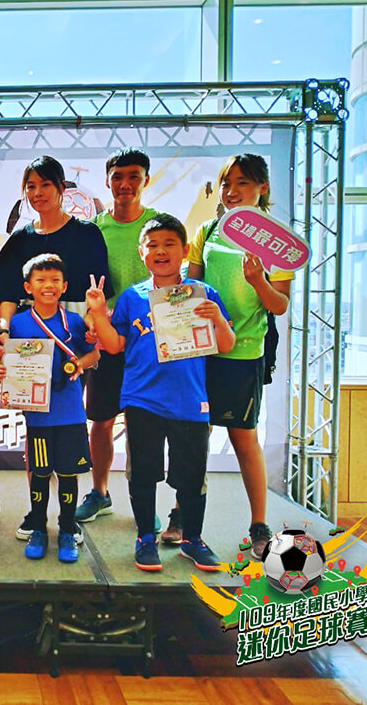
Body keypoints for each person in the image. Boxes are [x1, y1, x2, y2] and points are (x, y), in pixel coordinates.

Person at [86, 214, 235, 572]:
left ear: (184, 250)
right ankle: (144, 538)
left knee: (192, 475)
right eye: (152, 245)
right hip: (142, 399)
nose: (161, 251)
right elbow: (114, 345)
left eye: (169, 244)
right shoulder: (132, 297)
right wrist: (99, 314)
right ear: (142, 253)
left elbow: (227, 344)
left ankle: (192, 539)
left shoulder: (203, 294)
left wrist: (216, 317)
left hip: (190, 400)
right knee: (142, 472)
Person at [0, 156, 110, 541]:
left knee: (70, 418)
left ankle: (68, 518)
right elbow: (6, 294)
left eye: (45, 185)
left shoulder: (87, 233)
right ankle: (37, 514)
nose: (37, 193)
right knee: (36, 424)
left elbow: (99, 288)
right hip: (30, 339)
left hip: (74, 335)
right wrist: (3, 331)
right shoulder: (20, 239)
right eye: (31, 187)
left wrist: (93, 326)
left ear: (61, 188)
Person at [181, 154, 293, 559]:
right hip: (202, 353)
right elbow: (189, 288)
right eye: (226, 183)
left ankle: (259, 525)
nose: (231, 191)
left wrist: (257, 280)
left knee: (244, 439)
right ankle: (182, 514)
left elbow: (279, 305)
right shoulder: (207, 231)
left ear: (262, 187)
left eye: (242, 182)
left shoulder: (277, 240)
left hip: (245, 355)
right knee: (195, 438)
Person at [0, 254, 98, 563]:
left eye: (55, 280)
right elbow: (9, 360)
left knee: (68, 473)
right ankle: (38, 528)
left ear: (65, 286)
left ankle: (66, 529)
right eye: (40, 280)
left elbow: (94, 355)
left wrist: (79, 364)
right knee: (40, 473)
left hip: (70, 412)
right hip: (37, 415)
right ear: (28, 287)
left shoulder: (75, 322)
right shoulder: (18, 322)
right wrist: (4, 371)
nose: (48, 285)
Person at [77, 149, 160, 525]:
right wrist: (91, 320)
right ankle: (99, 492)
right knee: (102, 420)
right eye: (117, 177)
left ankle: (145, 503)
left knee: (146, 424)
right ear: (107, 181)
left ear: (146, 180)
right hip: (105, 339)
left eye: (133, 176)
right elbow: (84, 287)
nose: (125, 184)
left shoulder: (158, 226)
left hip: (150, 342)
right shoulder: (93, 230)